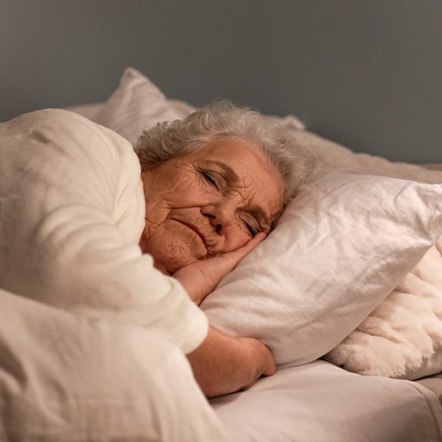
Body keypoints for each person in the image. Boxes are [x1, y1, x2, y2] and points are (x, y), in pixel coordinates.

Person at [0, 102, 313, 398]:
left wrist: (187, 287)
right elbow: (70, 269)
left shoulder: (149, 283)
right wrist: (246, 360)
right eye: (211, 179)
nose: (223, 214)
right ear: (150, 160)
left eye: (249, 223)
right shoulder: (78, 140)